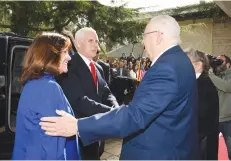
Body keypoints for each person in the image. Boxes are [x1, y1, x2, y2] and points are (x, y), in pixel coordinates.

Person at [40, 15, 199, 159]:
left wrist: (77, 125)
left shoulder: (167, 68)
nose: (143, 43)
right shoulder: (181, 62)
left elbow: (134, 116)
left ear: (158, 37)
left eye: (145, 36)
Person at [12, 32, 80, 160]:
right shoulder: (49, 87)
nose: (70, 57)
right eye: (65, 52)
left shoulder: (34, 83)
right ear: (50, 55)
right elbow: (53, 147)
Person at [56, 27, 119, 160]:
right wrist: (111, 113)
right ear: (78, 43)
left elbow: (106, 92)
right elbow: (79, 101)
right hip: (78, 136)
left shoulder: (99, 68)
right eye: (91, 41)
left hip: (97, 135)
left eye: (96, 41)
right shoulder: (69, 65)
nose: (96, 44)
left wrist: (116, 107)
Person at [185, 48, 219, 159]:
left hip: (202, 141)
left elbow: (201, 114)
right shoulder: (195, 82)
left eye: (187, 63)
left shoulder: (204, 85)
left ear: (198, 65)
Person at [209, 55, 231, 159]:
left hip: (228, 120)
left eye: (220, 61)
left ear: (228, 64)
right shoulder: (213, 75)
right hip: (214, 119)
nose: (217, 62)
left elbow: (226, 87)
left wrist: (211, 75)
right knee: (211, 148)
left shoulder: (226, 76)